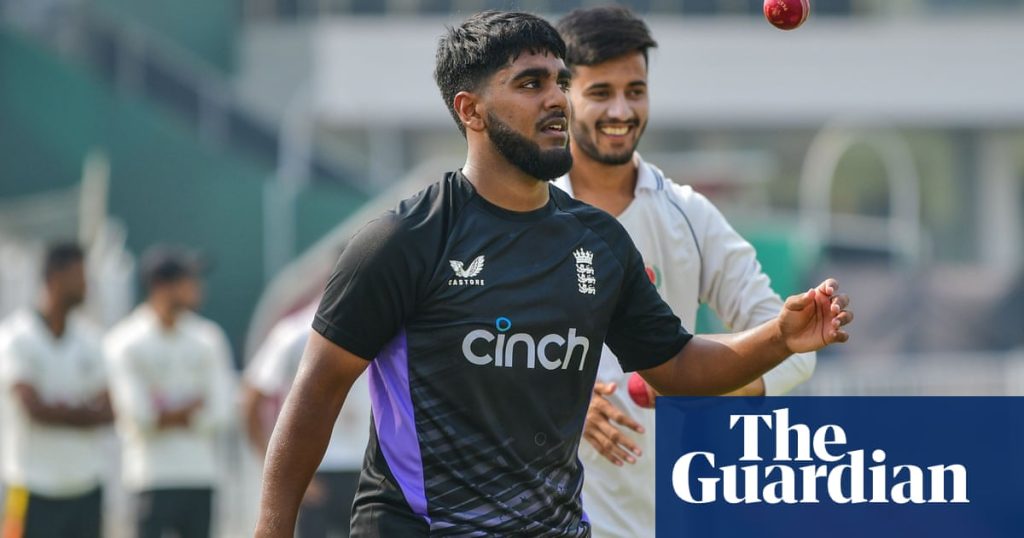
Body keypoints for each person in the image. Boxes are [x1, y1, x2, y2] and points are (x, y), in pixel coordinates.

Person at [255, 11, 852, 537]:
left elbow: (677, 366)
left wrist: (780, 337)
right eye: (530, 83)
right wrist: (272, 530)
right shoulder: (404, 240)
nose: (557, 99)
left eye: (561, 82)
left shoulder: (599, 241)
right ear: (470, 110)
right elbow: (317, 390)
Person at [553, 7, 817, 536]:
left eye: (635, 90)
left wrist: (698, 386)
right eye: (600, 92)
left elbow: (792, 350)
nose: (621, 110)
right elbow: (465, 355)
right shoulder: (526, 213)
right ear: (564, 97)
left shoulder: (688, 215)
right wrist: (554, 406)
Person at [104, 246, 235, 538]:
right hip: (150, 478)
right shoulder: (125, 342)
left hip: (200, 476)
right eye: (188, 280)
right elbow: (139, 418)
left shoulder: (208, 338)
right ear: (161, 286)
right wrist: (191, 407)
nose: (197, 287)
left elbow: (220, 414)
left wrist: (164, 411)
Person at [0, 243, 112, 538]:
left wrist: (56, 409)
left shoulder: (90, 339)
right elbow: (32, 409)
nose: (86, 285)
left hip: (85, 486)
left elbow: (110, 411)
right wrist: (83, 411)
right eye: (79, 275)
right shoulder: (16, 337)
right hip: (30, 485)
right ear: (54, 277)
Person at [241, 301, 371, 538]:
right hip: (313, 469)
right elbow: (252, 400)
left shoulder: (379, 327)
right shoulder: (294, 333)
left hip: (365, 469)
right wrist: (280, 473)